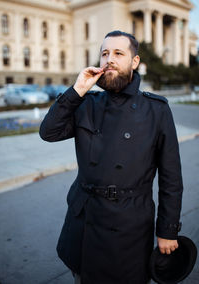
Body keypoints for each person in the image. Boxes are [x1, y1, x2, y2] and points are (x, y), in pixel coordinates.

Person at [39, 30, 183, 284]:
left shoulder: (156, 110)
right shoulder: (86, 103)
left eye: (118, 53)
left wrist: (167, 230)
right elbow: (48, 132)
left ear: (134, 62)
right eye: (105, 53)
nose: (109, 59)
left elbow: (171, 178)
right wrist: (77, 89)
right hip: (84, 223)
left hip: (129, 227)